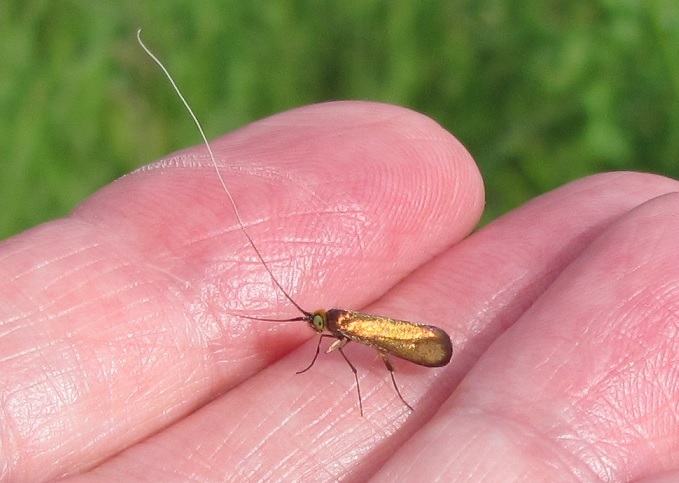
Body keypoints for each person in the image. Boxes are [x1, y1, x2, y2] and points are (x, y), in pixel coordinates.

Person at [2, 102, 679, 482]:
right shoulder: (338, 324)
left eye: (318, 329)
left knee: (381, 353)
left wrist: (351, 342)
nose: (316, 331)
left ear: (330, 324)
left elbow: (361, 338)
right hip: (395, 334)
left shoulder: (345, 329)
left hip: (400, 338)